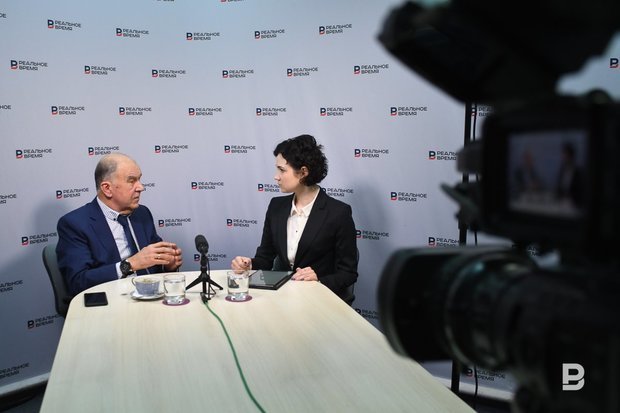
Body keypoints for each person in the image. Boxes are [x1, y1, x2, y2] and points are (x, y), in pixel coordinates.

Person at [231, 134, 358, 300]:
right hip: (283, 297)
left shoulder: (338, 213)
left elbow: (348, 273)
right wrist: (248, 264)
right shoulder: (276, 207)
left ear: (303, 172)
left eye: (282, 170)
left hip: (319, 300)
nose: (276, 176)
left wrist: (319, 279)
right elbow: (265, 258)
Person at [57, 153, 183, 295]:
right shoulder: (75, 224)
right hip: (110, 301)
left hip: (149, 297)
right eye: (131, 181)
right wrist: (129, 265)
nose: (141, 187)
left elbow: (153, 268)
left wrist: (168, 265)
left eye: (139, 179)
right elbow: (77, 282)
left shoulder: (143, 214)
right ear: (107, 188)